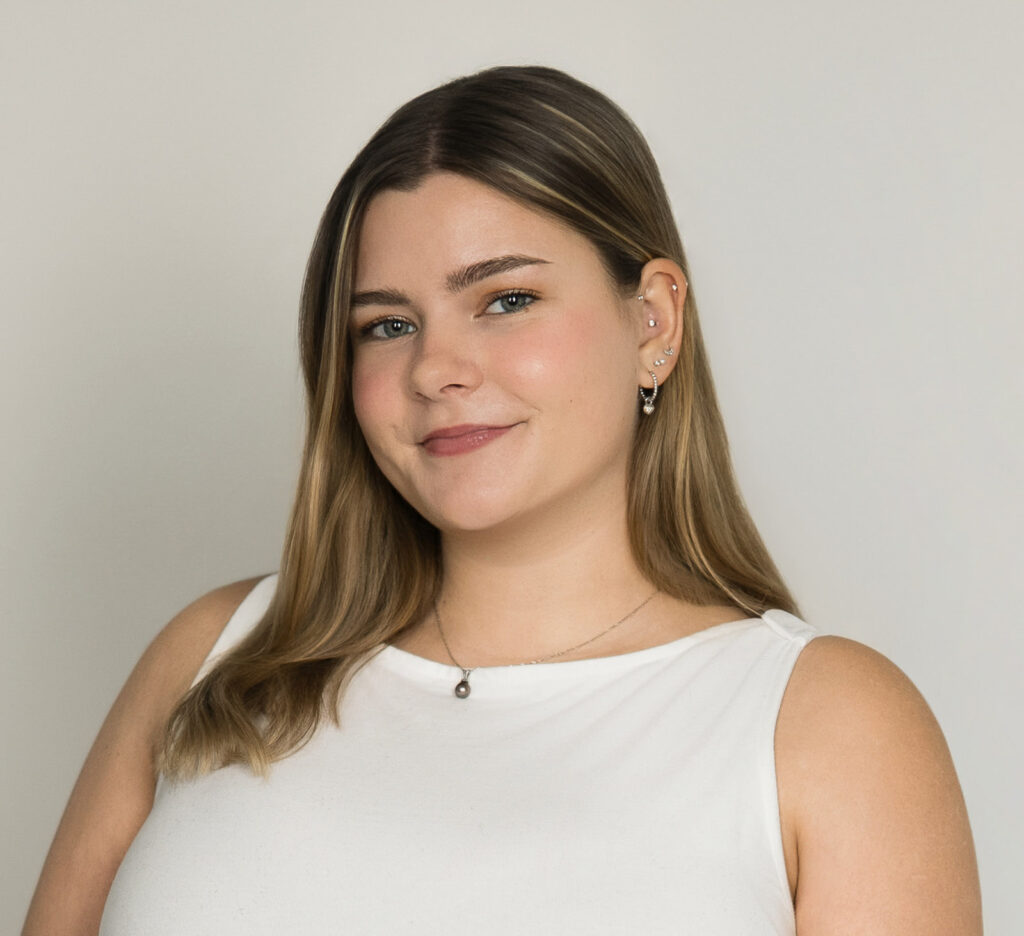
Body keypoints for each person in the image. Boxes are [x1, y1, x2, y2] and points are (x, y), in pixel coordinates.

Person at [23, 65, 982, 935]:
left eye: (506, 300)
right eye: (387, 324)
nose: (436, 368)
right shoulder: (217, 658)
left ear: (654, 321)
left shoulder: (825, 723)